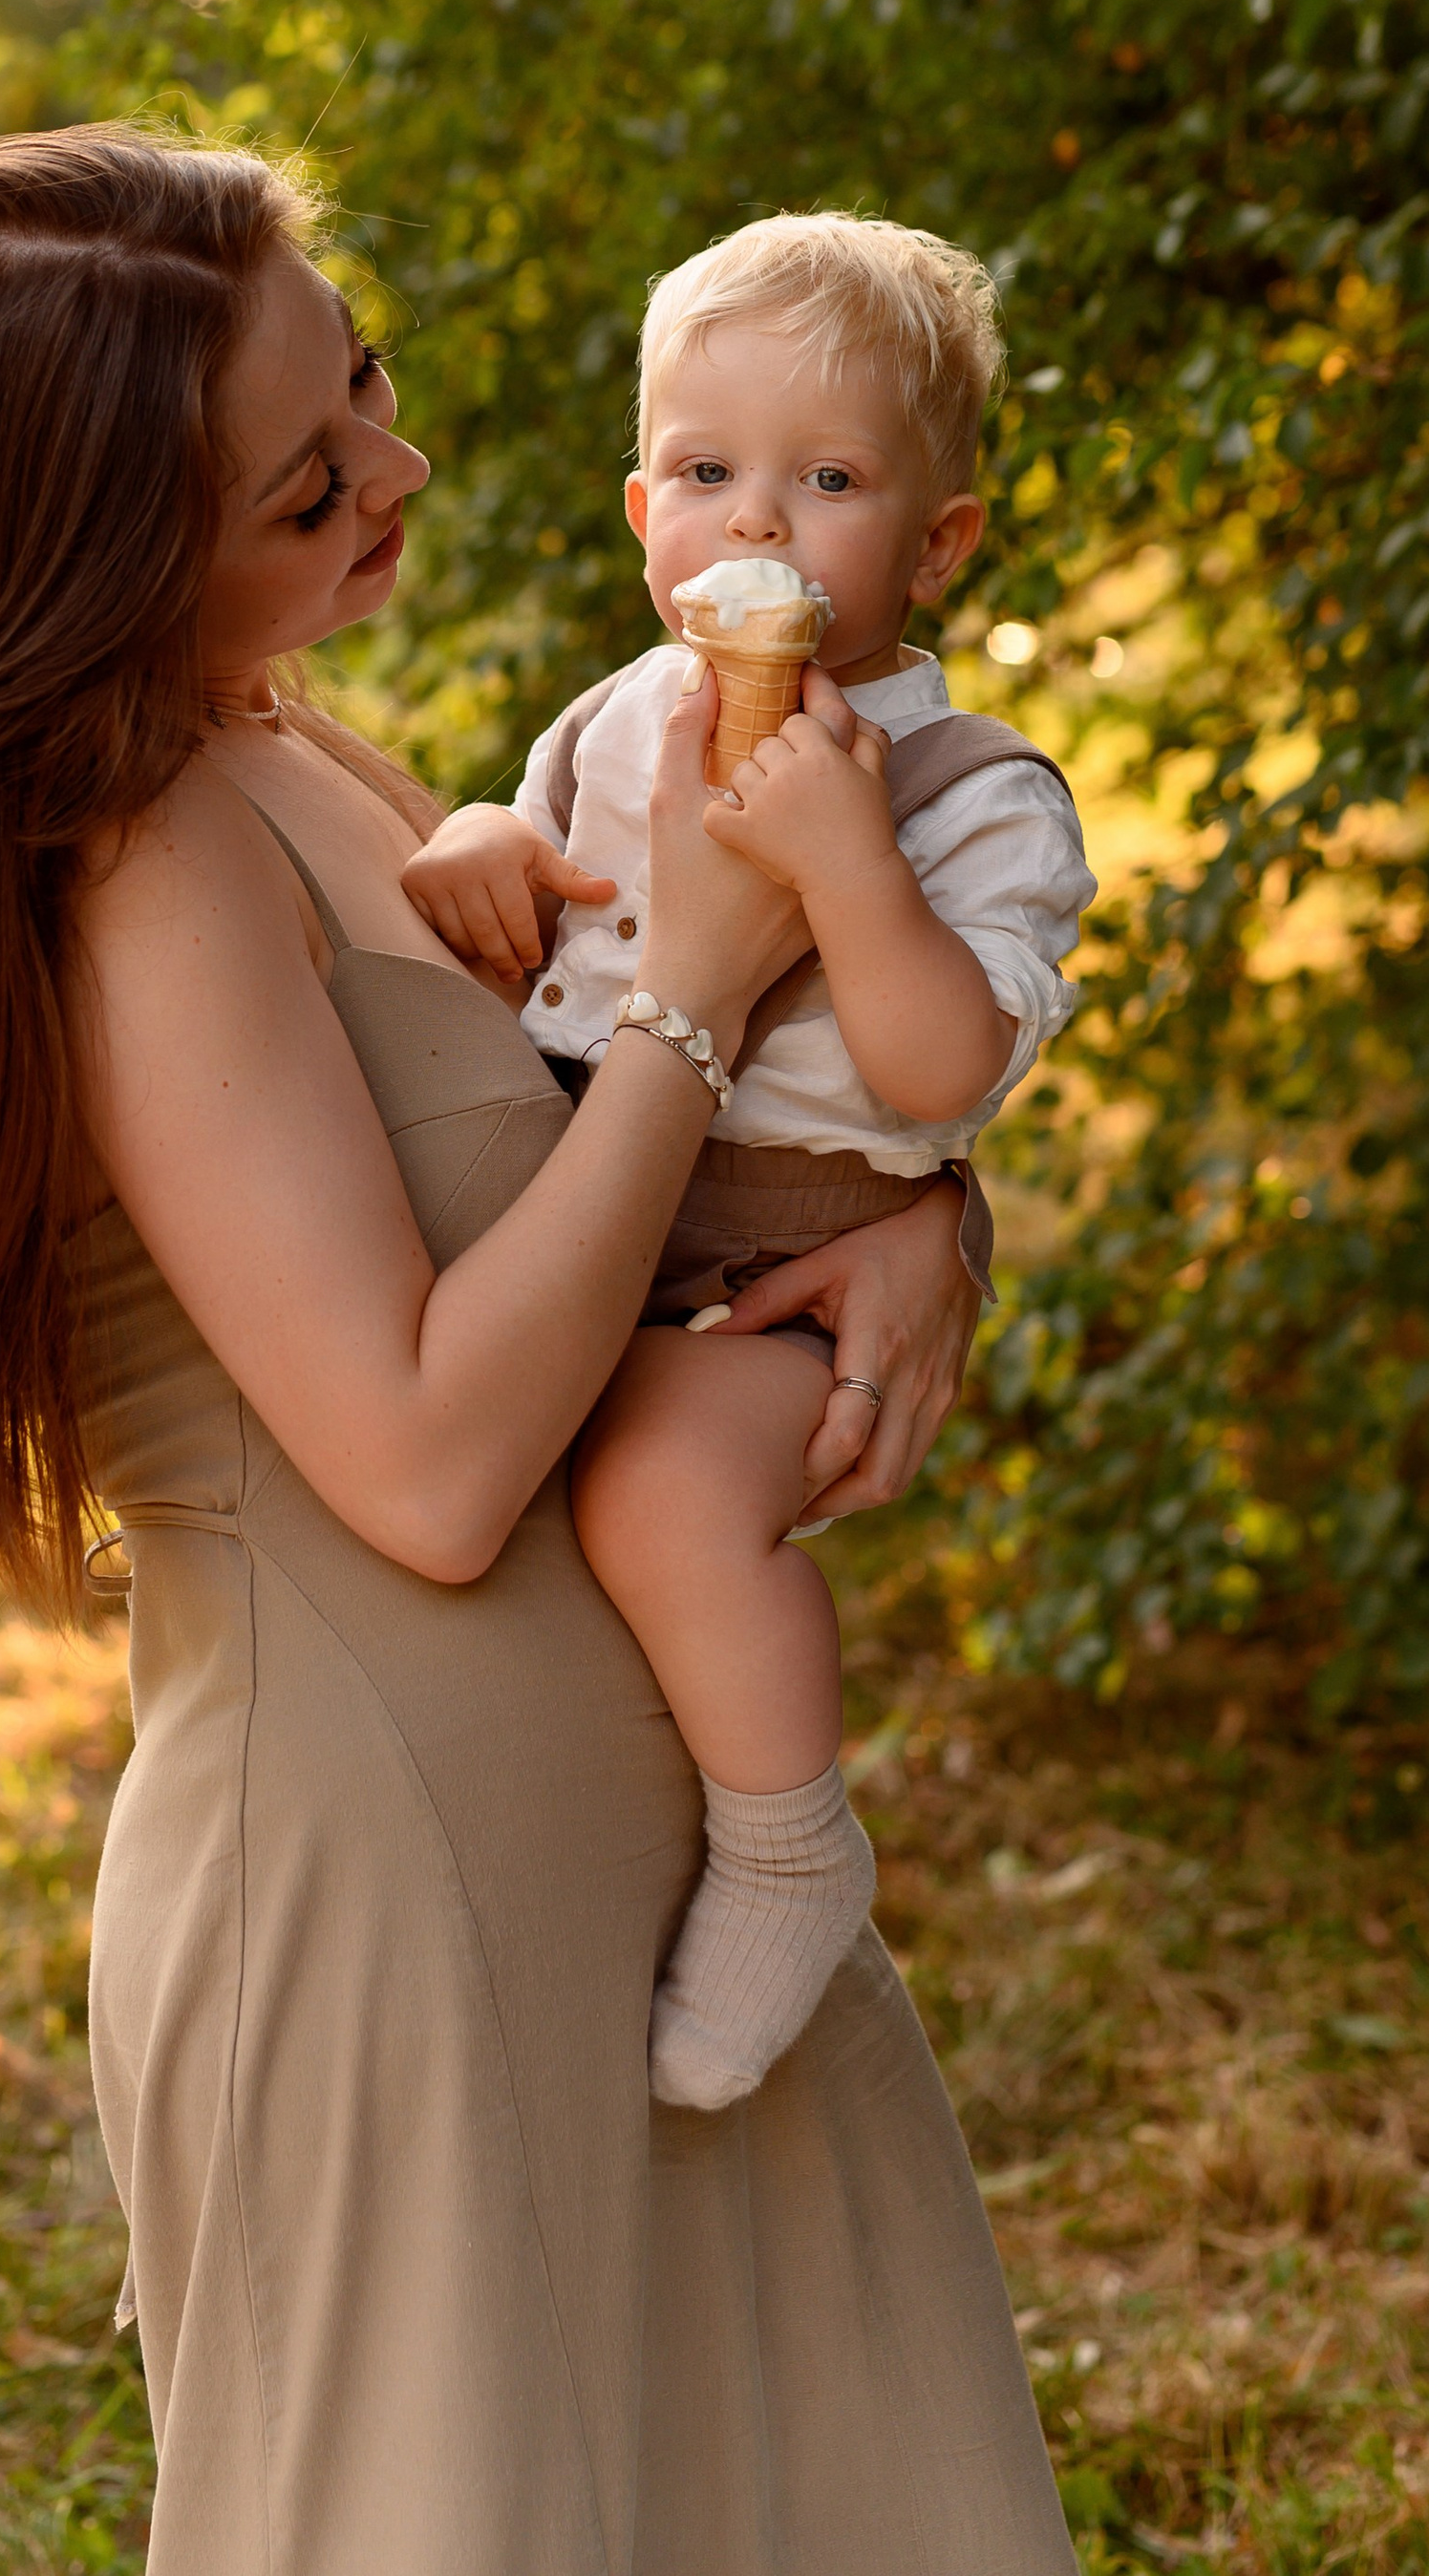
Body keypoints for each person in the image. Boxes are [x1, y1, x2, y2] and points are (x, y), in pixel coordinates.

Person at [0, 128, 1077, 2576]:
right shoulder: (132, 863)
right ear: (95, 552)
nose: (403, 472)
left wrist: (916, 1213)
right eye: (309, 470)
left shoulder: (283, 737)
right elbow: (425, 1462)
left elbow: (614, 1168)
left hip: (642, 1861)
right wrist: (694, 983)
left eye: (371, 386)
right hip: (393, 1899)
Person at [401, 217, 1096, 2112]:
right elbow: (535, 889)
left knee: (654, 1491)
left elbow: (945, 1068)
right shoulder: (608, 718)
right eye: (706, 474)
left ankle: (787, 1837)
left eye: (830, 480)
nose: (756, 528)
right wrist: (476, 837)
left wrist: (845, 868)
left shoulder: (969, 790)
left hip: (779, 1253)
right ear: (641, 508)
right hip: (591, 1183)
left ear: (937, 542)